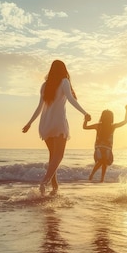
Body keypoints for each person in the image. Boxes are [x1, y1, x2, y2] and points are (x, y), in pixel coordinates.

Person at [22, 60, 91, 195]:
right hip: (58, 123)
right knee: (59, 155)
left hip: (45, 124)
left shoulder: (44, 85)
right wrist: (85, 113)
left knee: (53, 156)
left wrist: (29, 123)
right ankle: (44, 182)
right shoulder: (64, 81)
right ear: (63, 70)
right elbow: (71, 99)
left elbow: (39, 107)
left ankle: (55, 186)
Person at [83, 107, 127, 182]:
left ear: (102, 117)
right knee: (104, 162)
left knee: (101, 161)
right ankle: (99, 178)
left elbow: (84, 127)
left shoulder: (98, 125)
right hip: (107, 147)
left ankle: (94, 176)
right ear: (111, 117)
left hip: (99, 147)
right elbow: (125, 121)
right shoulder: (113, 126)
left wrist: (85, 120)